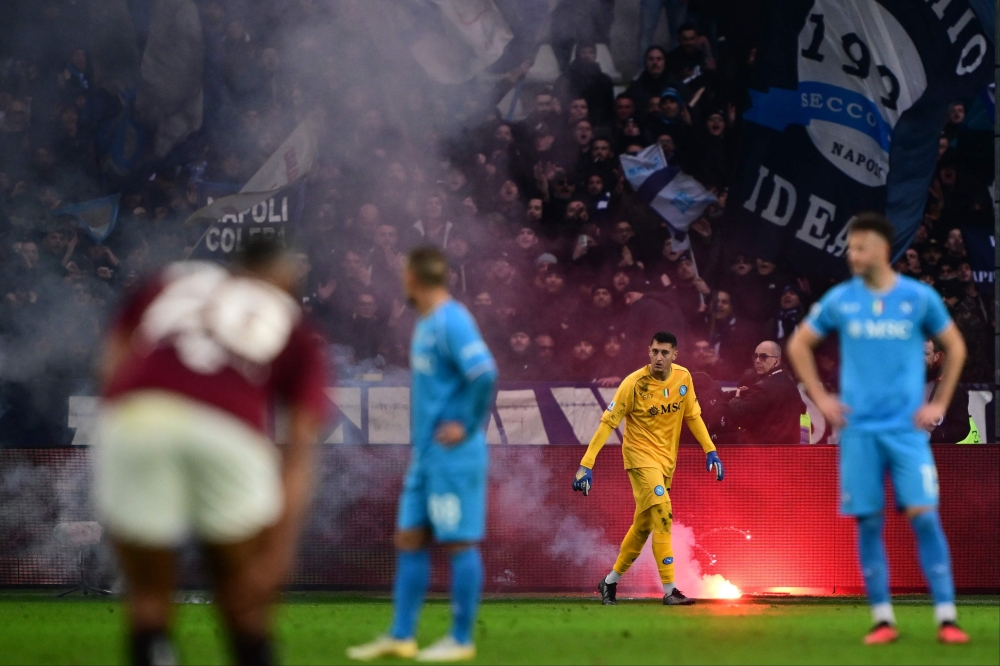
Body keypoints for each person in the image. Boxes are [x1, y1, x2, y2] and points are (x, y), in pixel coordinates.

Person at [93, 238, 329, 666]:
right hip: (228, 430)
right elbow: (299, 449)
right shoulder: (296, 325)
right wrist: (278, 553)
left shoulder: (173, 280)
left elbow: (110, 365)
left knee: (147, 600)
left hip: (137, 418)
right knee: (244, 599)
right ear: (283, 277)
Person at [787, 213, 970, 645]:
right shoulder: (841, 300)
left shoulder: (917, 297)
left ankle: (947, 618)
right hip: (859, 435)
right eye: (849, 247)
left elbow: (956, 346)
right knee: (869, 524)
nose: (852, 254)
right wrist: (822, 398)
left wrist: (939, 403)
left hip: (907, 434)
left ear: (884, 250)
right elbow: (798, 344)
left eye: (860, 246)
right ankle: (883, 619)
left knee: (925, 519)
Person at [347, 247, 498, 662]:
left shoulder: (452, 320)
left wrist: (467, 424)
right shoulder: (426, 323)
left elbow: (485, 372)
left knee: (458, 542)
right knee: (409, 538)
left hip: (453, 455)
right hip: (426, 456)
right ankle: (401, 636)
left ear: (412, 277)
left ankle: (461, 639)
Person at [571, 331, 724, 606]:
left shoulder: (683, 378)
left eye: (665, 352)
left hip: (666, 462)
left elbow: (693, 416)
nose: (659, 357)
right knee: (664, 514)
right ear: (648, 352)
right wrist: (586, 463)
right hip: (640, 458)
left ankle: (609, 582)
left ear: (674, 355)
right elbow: (608, 423)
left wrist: (710, 449)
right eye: (654, 351)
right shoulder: (633, 384)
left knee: (643, 526)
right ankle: (670, 590)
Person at [725, 341, 805, 444]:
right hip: (787, 451)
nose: (757, 361)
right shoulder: (787, 380)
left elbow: (741, 413)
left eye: (763, 357)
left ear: (776, 361)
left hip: (766, 452)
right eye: (755, 356)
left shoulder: (767, 387)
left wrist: (736, 399)